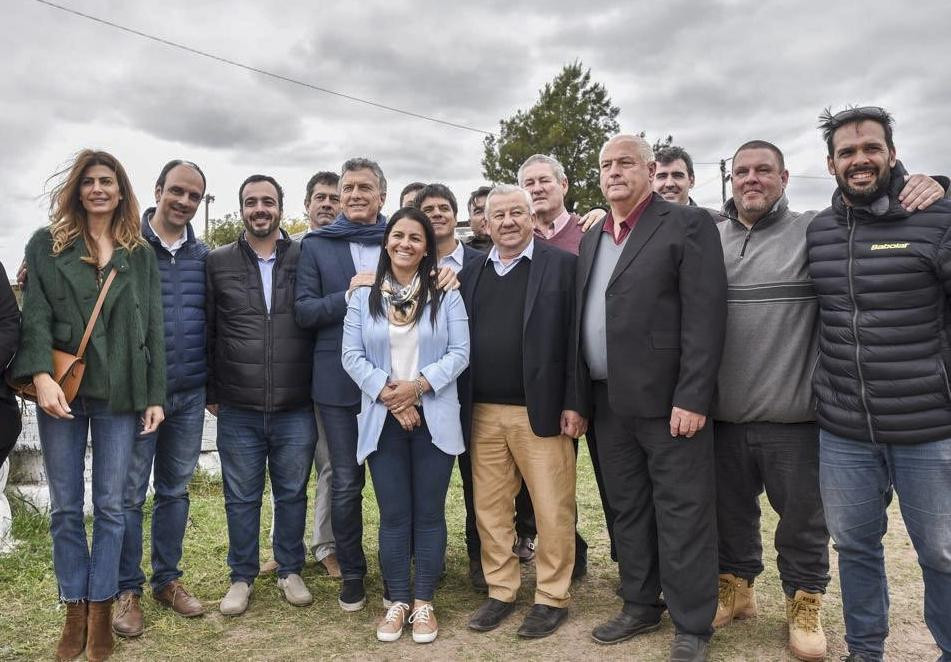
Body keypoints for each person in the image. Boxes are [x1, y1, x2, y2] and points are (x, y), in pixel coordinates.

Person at [712, 140, 945, 661]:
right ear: (730, 179)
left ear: (786, 177)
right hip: (723, 413)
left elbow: (872, 213)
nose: (752, 179)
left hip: (796, 414)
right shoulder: (708, 235)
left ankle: (804, 600)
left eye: (763, 171)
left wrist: (936, 185)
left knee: (802, 522)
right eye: (742, 171)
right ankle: (737, 585)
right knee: (729, 512)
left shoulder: (814, 229)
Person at [806, 105, 951, 662]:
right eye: (847, 152)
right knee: (855, 548)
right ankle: (865, 651)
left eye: (871, 148)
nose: (859, 160)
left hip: (927, 428)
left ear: (891, 153)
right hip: (844, 429)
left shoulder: (936, 219)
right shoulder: (820, 231)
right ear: (831, 162)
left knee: (940, 552)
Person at [575, 134, 726, 661]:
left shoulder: (686, 224)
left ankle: (692, 624)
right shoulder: (594, 236)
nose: (614, 171)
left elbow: (706, 318)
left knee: (682, 511)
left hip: (669, 405)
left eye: (625, 163)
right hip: (608, 402)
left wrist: (693, 396)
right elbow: (582, 320)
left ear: (648, 169)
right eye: (605, 165)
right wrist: (579, 398)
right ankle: (640, 603)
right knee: (627, 508)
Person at [11, 149, 166, 662]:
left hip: (121, 393)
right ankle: (73, 609)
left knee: (115, 506)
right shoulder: (46, 245)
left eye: (108, 181)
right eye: (89, 181)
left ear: (121, 191)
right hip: (64, 392)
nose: (98, 189)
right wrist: (40, 376)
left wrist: (154, 396)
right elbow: (33, 317)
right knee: (64, 509)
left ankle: (102, 609)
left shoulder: (138, 252)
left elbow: (154, 331)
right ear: (77, 189)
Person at [459, 184, 584, 639]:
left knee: (553, 510)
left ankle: (552, 596)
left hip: (543, 412)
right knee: (490, 510)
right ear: (485, 223)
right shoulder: (471, 271)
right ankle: (501, 590)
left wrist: (575, 401)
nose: (508, 222)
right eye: (499, 215)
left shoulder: (562, 266)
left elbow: (576, 339)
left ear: (532, 217)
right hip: (482, 413)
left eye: (517, 212)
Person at [342, 208, 469, 643]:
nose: (406, 244)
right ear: (386, 241)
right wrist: (392, 397)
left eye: (416, 238)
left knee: (429, 513)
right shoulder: (363, 296)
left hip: (433, 415)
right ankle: (397, 601)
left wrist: (417, 388)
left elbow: (460, 352)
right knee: (394, 515)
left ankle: (423, 603)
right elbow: (351, 356)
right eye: (398, 235)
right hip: (383, 417)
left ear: (427, 247)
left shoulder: (445, 293)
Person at [206, 174, 316, 616]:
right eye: (251, 202)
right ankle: (241, 575)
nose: (259, 209)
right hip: (239, 404)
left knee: (292, 492)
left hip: (296, 403)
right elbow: (209, 329)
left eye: (267, 201)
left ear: (280, 207)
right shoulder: (217, 262)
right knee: (241, 495)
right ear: (242, 209)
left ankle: (290, 568)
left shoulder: (305, 255)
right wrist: (213, 390)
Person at [113, 160, 210, 638]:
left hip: (189, 393)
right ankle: (125, 587)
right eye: (178, 192)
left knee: (174, 490)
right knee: (130, 494)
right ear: (157, 190)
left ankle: (167, 580)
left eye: (194, 195)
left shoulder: (204, 255)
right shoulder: (126, 245)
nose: (185, 202)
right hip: (137, 395)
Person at [262, 170, 342, 578]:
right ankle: (282, 547)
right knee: (287, 469)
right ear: (306, 205)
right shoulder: (288, 251)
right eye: (320, 198)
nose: (327, 204)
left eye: (334, 197)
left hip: (330, 378)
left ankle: (326, 544)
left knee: (330, 465)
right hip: (288, 377)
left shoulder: (344, 252)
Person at [653, 146, 720, 221]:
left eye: (677, 176)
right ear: (651, 182)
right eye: (662, 176)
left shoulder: (717, 223)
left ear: (691, 181)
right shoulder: (640, 223)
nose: (669, 184)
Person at [465, 186, 494, 252]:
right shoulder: (462, 255)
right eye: (478, 212)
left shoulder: (518, 247)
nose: (486, 216)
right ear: (470, 223)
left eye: (490, 209)